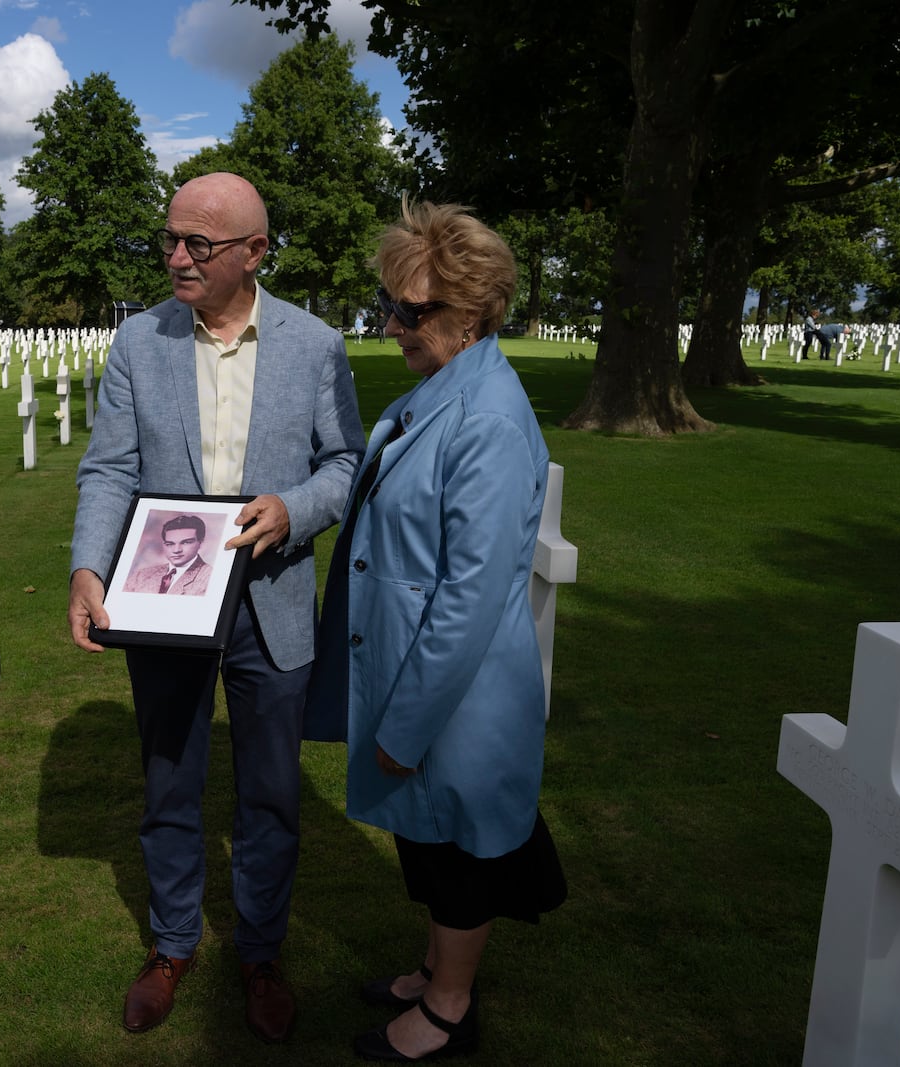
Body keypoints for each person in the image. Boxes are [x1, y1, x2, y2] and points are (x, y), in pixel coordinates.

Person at [68, 171, 364, 1042]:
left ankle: (261, 951)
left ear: (254, 253)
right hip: (164, 598)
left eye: (199, 243)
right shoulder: (139, 341)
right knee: (169, 781)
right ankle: (170, 944)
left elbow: (345, 464)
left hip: (271, 599)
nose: (177, 257)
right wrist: (90, 567)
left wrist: (292, 509)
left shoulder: (315, 345)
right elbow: (110, 467)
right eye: (170, 238)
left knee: (271, 791)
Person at [306, 200, 566, 1063]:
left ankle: (450, 1011)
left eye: (409, 312)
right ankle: (433, 969)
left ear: (470, 311)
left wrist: (407, 722)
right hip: (418, 672)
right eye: (392, 305)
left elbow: (470, 593)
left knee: (458, 846)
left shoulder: (485, 418)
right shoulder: (445, 390)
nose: (391, 326)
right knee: (428, 834)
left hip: (453, 692)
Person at [122, 513, 215, 595]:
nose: (176, 550)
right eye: (170, 544)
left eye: (186, 542)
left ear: (201, 543)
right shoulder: (141, 576)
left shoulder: (210, 578)